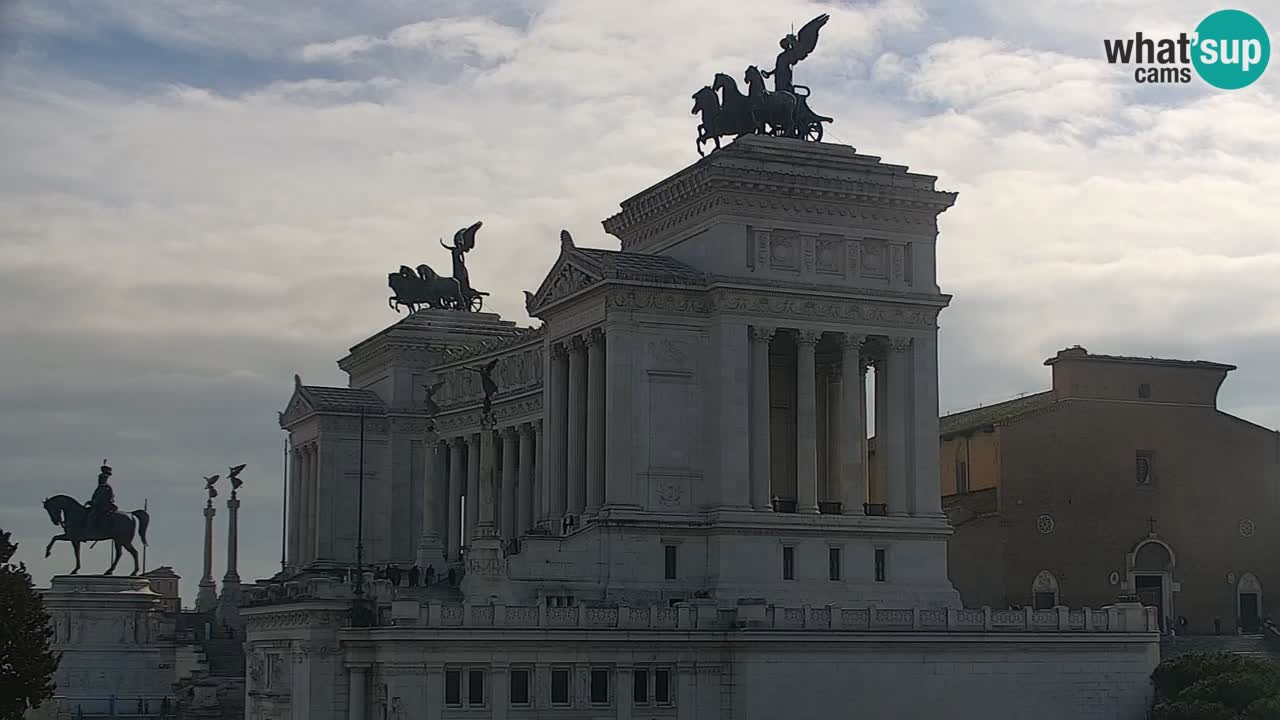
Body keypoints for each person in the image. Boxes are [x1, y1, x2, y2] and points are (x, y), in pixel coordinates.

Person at [84, 460, 117, 535]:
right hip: (99, 505)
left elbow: (102, 499)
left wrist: (93, 502)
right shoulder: (100, 487)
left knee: (92, 515)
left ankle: (91, 530)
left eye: (101, 478)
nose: (99, 479)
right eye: (100, 478)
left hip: (104, 506)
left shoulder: (106, 487)